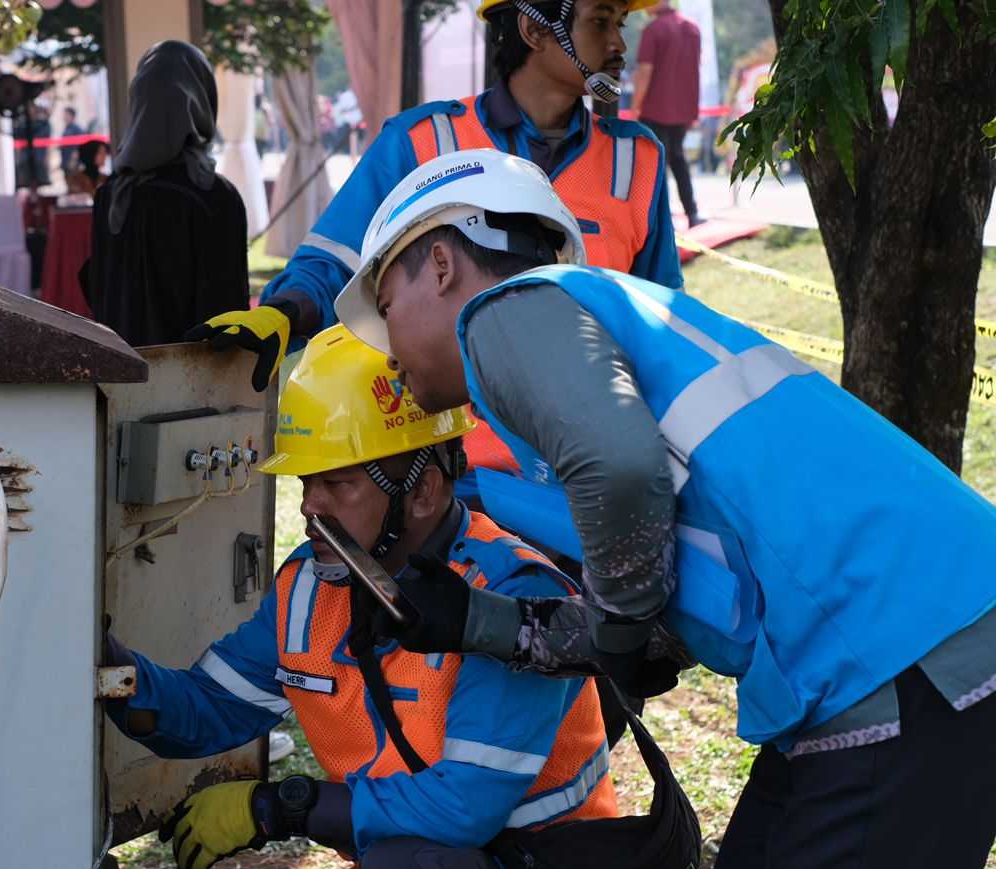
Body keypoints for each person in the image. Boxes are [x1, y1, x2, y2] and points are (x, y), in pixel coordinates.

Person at [329, 147, 996, 869]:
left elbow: (619, 480)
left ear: (443, 265)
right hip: (903, 647)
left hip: (902, 652)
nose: (388, 354)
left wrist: (616, 626)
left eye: (386, 309)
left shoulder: (507, 312)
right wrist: (475, 622)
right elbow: (656, 618)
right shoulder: (585, 348)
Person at [104, 325, 617, 869]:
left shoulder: (512, 600)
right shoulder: (309, 586)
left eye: (339, 484)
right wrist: (109, 670)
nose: (309, 507)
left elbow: (460, 810)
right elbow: (206, 711)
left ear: (422, 491)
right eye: (305, 482)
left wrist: (280, 807)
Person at [187, 0, 678, 502]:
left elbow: (657, 321)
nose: (619, 44)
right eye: (600, 22)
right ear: (534, 29)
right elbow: (337, 258)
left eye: (621, 24)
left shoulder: (634, 160)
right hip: (444, 476)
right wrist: (284, 314)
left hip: (586, 477)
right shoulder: (423, 141)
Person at [80, 41, 249, 346]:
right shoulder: (213, 196)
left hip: (120, 380)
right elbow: (228, 315)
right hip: (195, 383)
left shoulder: (109, 195)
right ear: (202, 101)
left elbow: (99, 293)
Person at [632, 1, 703, 227]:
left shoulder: (653, 30)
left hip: (655, 107)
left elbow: (645, 71)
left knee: (656, 163)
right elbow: (695, 68)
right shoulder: (692, 28)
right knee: (678, 158)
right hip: (683, 107)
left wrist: (636, 105)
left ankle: (662, 219)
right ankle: (692, 213)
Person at [58, 105, 84, 173]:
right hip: (65, 162)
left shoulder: (77, 129)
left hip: (73, 164)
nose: (64, 117)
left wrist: (73, 161)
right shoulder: (66, 129)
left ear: (71, 116)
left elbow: (79, 147)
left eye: (66, 114)